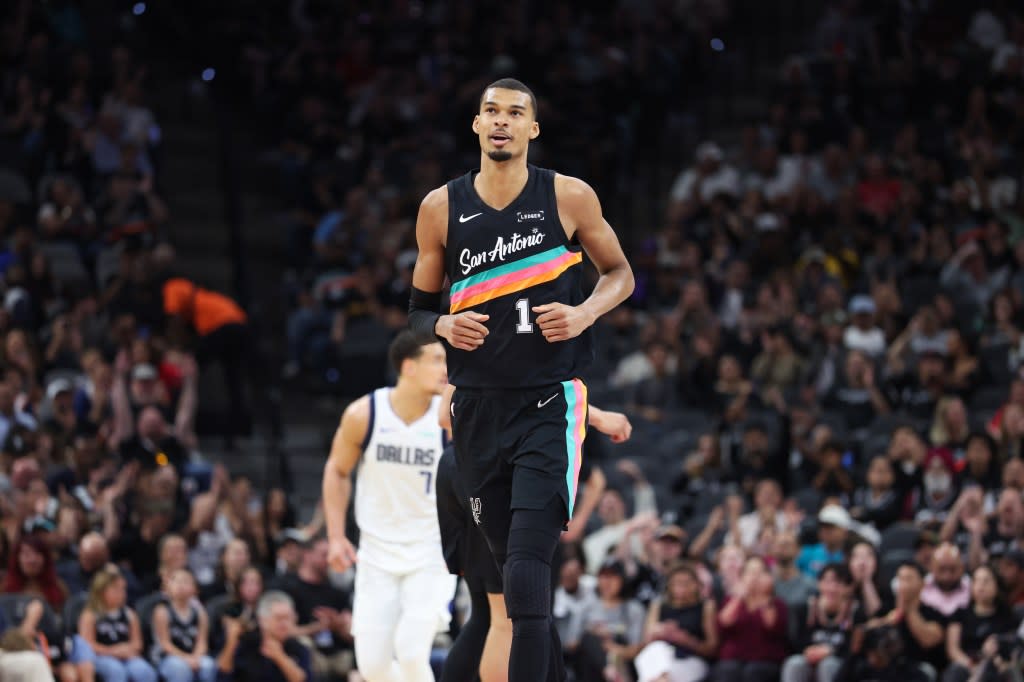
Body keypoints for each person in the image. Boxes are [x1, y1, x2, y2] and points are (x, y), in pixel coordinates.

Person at [406, 77, 634, 682]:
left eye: (514, 112)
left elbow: (620, 275)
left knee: (529, 577)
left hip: (545, 407)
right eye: (490, 111)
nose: (501, 121)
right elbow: (417, 311)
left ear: (533, 129)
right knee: (514, 589)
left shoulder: (568, 196)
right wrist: (443, 329)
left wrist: (585, 311)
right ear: (476, 125)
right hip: (477, 413)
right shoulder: (439, 208)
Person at [435, 384, 631, 682]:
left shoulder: (471, 351)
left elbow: (444, 415)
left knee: (491, 612)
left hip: (461, 465)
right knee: (513, 613)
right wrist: (600, 417)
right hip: (496, 467)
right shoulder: (543, 376)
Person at [322, 330, 455, 682]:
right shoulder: (364, 414)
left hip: (431, 551)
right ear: (408, 367)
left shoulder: (448, 419)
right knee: (373, 668)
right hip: (376, 554)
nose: (446, 367)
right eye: (437, 359)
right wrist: (336, 536)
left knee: (412, 656)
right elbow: (337, 471)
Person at [634, 562, 719, 682]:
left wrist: (686, 640)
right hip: (661, 655)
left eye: (687, 583)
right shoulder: (658, 605)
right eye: (677, 582)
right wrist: (660, 631)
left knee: (654, 673)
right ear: (669, 585)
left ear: (696, 584)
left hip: (691, 659)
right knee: (656, 650)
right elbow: (646, 640)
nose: (682, 587)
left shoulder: (706, 607)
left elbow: (712, 648)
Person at [782, 563, 865, 682]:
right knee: (794, 663)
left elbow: (854, 648)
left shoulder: (855, 612)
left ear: (849, 587)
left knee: (828, 664)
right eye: (826, 582)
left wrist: (831, 651)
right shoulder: (806, 608)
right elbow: (796, 641)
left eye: (837, 583)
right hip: (810, 657)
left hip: (838, 660)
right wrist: (808, 650)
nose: (832, 588)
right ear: (819, 584)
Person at [77, 564, 157, 682]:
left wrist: (127, 650)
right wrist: (113, 651)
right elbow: (87, 645)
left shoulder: (129, 614)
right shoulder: (90, 614)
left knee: (144, 671)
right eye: (116, 589)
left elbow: (137, 644)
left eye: (123, 589)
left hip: (127, 655)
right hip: (100, 657)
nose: (122, 593)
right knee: (116, 671)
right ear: (101, 591)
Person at [943, 564, 1018, 682]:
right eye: (977, 581)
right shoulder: (960, 614)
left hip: (997, 666)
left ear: (997, 586)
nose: (981, 586)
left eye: (986, 581)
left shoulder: (1007, 616)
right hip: (966, 665)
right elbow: (953, 649)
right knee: (956, 671)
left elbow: (1014, 647)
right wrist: (972, 666)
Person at [220, 590, 312, 682]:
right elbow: (223, 672)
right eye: (279, 618)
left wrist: (280, 657)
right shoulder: (246, 643)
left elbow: (304, 680)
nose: (284, 624)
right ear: (262, 620)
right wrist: (231, 640)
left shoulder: (299, 648)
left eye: (288, 618)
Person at [150, 568, 216, 682]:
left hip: (193, 655)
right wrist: (187, 659)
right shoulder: (162, 611)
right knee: (180, 668)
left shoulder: (200, 613)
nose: (180, 585)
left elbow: (202, 642)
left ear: (195, 589)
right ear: (168, 586)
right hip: (167, 657)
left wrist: (195, 658)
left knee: (208, 665)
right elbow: (165, 644)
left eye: (185, 581)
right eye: (176, 581)